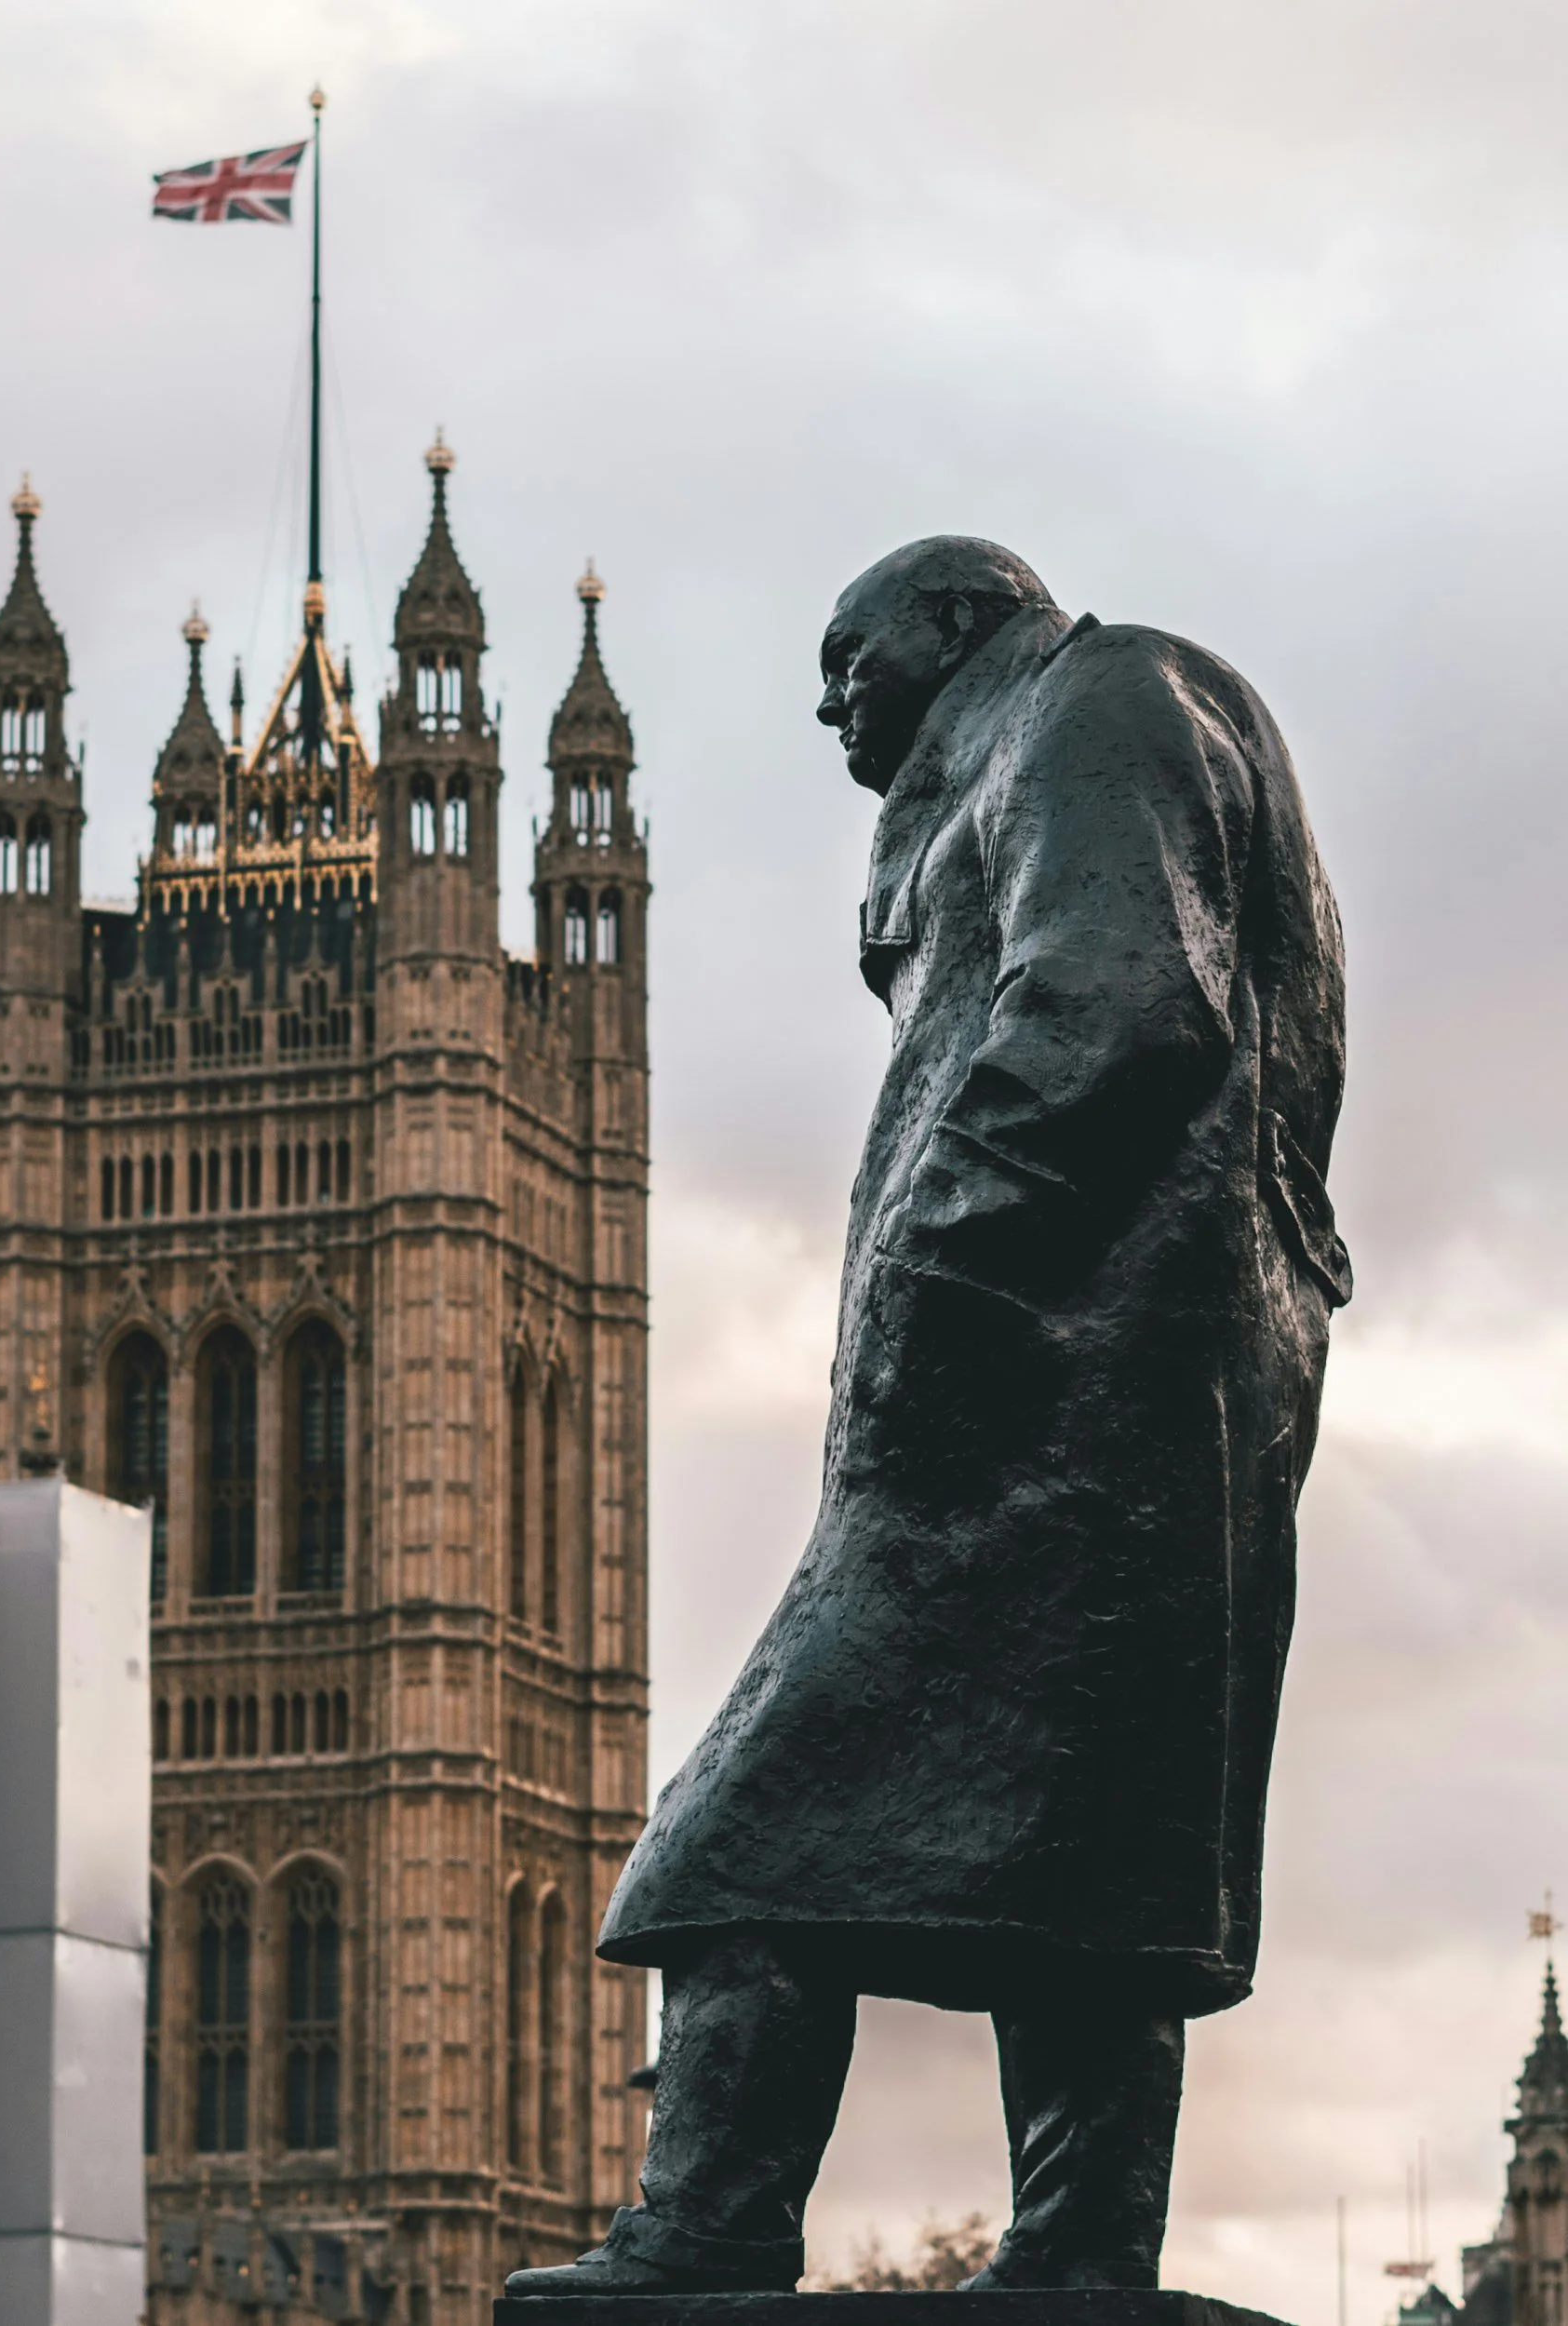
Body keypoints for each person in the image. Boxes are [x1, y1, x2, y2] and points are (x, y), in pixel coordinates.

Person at [506, 538, 1350, 2298]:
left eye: (848, 654)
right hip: (1134, 1384)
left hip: (1044, 1375)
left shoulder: (1095, 702)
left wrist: (938, 1272)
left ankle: (710, 2226)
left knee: (740, 1836)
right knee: (1093, 1849)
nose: (827, 698)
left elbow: (1123, 1002)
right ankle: (1082, 2251)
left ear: (959, 623)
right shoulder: (1065, 733)